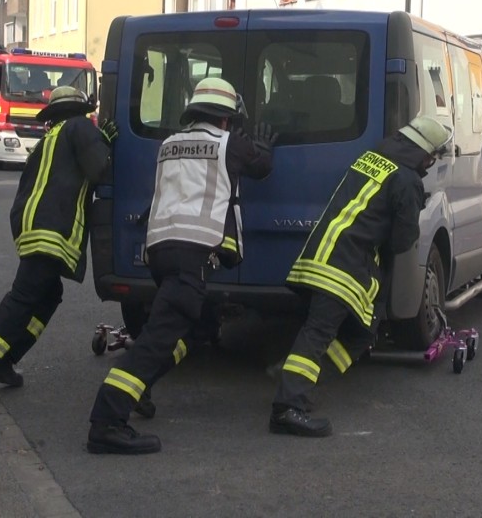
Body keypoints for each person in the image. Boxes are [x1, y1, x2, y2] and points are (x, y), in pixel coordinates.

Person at [86, 77, 277, 455]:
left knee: (193, 328)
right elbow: (261, 167)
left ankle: (140, 389)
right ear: (226, 118)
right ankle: (107, 421)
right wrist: (263, 145)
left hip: (159, 249)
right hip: (191, 253)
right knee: (156, 340)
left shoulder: (169, 144)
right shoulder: (228, 144)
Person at [269, 116, 453, 437]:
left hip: (322, 255)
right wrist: (414, 209)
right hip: (343, 266)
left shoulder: (370, 159)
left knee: (362, 333)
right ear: (426, 154)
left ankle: (296, 380)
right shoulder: (407, 180)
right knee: (318, 332)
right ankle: (288, 407)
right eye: (433, 157)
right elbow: (401, 242)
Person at [0, 86, 118, 405]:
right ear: (79, 110)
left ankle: (3, 360)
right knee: (20, 302)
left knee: (48, 295)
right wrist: (104, 141)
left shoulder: (49, 139)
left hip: (30, 227)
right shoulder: (79, 127)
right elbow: (99, 171)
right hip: (52, 229)